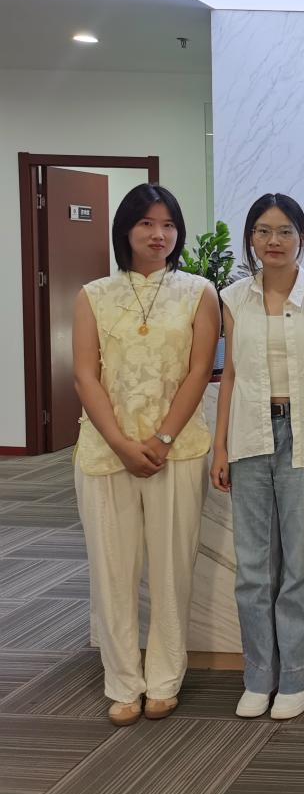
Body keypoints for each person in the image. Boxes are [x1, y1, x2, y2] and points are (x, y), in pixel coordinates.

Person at [72, 183, 219, 726]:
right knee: (112, 570)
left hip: (176, 450)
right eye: (147, 224)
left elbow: (199, 370)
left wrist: (161, 439)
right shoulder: (93, 294)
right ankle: (121, 682)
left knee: (172, 568)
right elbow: (85, 375)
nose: (159, 235)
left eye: (169, 225)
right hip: (104, 450)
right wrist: (120, 441)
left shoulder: (199, 292)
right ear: (126, 230)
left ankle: (164, 678)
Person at [211, 193, 304, 720]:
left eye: (285, 231)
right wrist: (220, 445)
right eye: (264, 231)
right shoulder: (233, 298)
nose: (274, 241)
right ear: (251, 237)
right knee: (252, 567)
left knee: (301, 564)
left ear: (302, 238)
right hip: (249, 435)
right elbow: (230, 377)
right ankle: (258, 675)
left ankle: (297, 674)